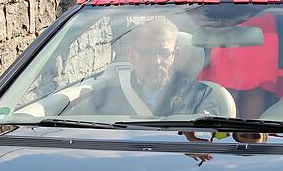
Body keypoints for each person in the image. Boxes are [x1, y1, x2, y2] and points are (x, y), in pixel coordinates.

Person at [69, 19, 221, 116]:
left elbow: (205, 143)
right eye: (147, 52)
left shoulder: (200, 96)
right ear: (131, 55)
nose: (156, 61)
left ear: (176, 55)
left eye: (164, 53)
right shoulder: (105, 97)